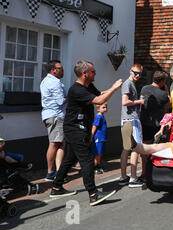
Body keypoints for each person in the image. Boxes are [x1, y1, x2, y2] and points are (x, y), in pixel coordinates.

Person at [50, 60, 122, 206]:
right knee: (87, 160)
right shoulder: (76, 90)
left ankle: (56, 187)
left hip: (78, 129)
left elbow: (100, 94)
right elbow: (99, 100)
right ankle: (93, 194)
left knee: (69, 159)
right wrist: (114, 89)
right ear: (85, 73)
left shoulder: (88, 86)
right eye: (93, 72)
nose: (95, 74)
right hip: (76, 129)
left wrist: (111, 89)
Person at [139, 71, 172, 180]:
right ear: (162, 81)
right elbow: (169, 104)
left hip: (143, 123)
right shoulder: (162, 94)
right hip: (156, 125)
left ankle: (144, 174)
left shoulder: (144, 88)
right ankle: (156, 173)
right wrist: (167, 92)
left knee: (144, 150)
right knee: (158, 149)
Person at [119, 64, 146, 188]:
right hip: (132, 120)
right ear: (131, 71)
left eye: (140, 74)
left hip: (126, 119)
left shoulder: (130, 84)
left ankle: (123, 177)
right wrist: (139, 102)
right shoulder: (128, 84)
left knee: (126, 148)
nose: (138, 76)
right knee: (136, 148)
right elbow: (124, 102)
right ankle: (133, 178)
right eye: (136, 73)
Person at [40, 60, 67, 181]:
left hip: (52, 115)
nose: (62, 70)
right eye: (60, 68)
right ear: (53, 70)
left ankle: (58, 172)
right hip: (56, 115)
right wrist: (73, 95)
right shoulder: (54, 83)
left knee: (61, 143)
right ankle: (51, 173)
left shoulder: (46, 81)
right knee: (55, 143)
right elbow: (61, 101)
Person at [91, 103, 108, 175]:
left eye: (106, 107)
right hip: (99, 138)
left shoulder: (102, 116)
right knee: (97, 153)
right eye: (103, 107)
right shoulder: (99, 117)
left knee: (99, 153)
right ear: (98, 109)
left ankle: (98, 165)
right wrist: (91, 136)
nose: (105, 109)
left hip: (102, 138)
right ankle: (94, 167)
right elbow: (95, 126)